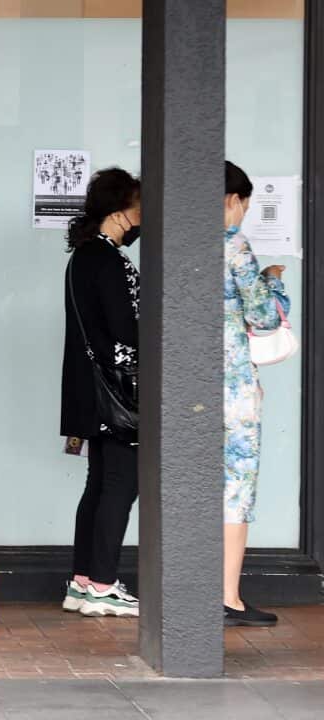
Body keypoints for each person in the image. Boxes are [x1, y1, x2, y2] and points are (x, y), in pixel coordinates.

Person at [59, 167, 142, 618]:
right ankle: (104, 583)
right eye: (139, 206)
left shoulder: (83, 256)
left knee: (99, 484)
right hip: (119, 392)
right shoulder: (107, 259)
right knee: (120, 484)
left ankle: (83, 581)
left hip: (92, 391)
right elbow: (125, 327)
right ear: (120, 211)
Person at [222, 160, 289, 627]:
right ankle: (228, 596)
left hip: (187, 385)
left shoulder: (176, 245)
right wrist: (276, 281)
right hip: (234, 390)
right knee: (235, 490)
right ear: (233, 200)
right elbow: (264, 317)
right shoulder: (235, 245)